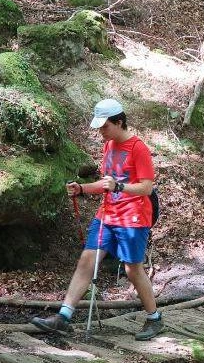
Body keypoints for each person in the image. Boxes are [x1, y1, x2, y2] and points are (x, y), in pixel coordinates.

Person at [31, 98, 163, 340]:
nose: (101, 132)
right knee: (86, 261)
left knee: (133, 270)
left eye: (105, 127)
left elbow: (146, 188)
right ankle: (63, 317)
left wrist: (119, 186)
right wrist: (82, 189)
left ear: (119, 122)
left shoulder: (138, 148)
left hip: (133, 217)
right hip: (107, 214)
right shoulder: (108, 147)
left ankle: (154, 318)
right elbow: (106, 185)